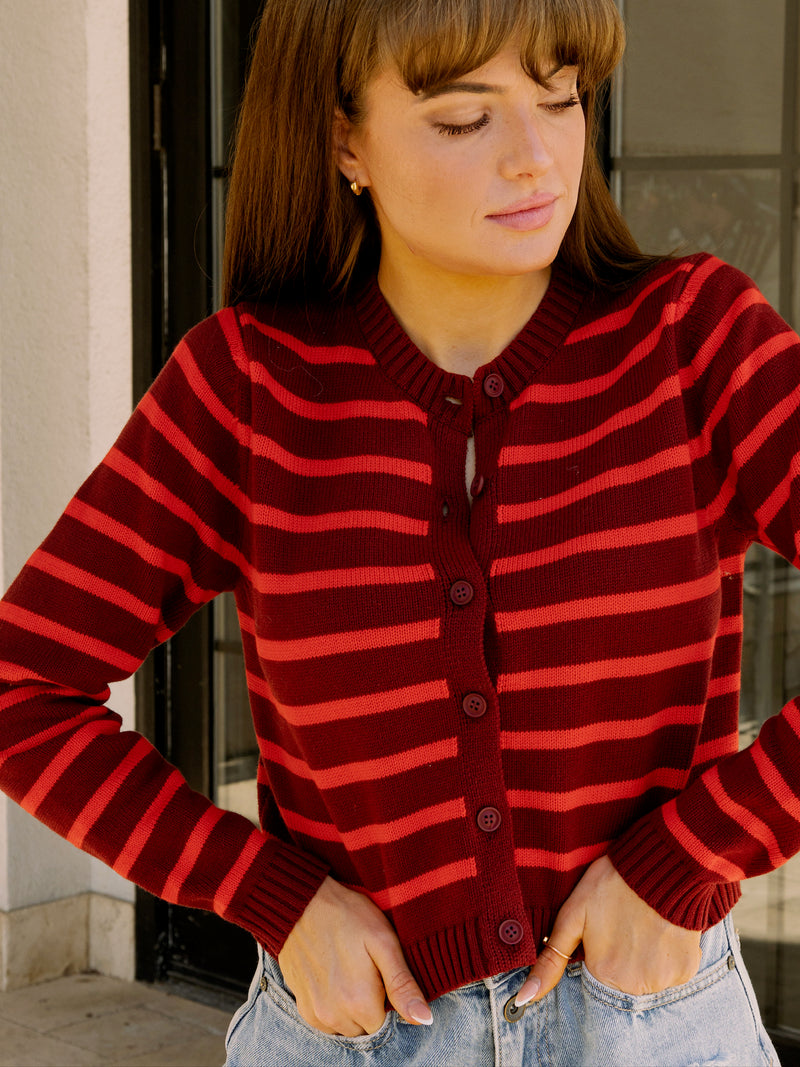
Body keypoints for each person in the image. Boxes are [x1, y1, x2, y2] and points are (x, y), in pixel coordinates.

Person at [0, 0, 792, 1063]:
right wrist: (271, 896)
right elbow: (24, 689)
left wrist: (696, 851)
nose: (535, 159)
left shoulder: (691, 341)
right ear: (342, 139)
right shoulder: (247, 388)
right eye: (464, 119)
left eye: (558, 98)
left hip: (651, 1024)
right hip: (348, 1035)